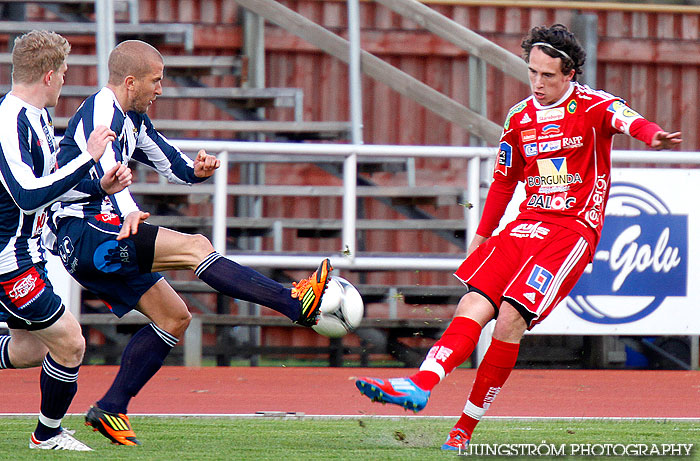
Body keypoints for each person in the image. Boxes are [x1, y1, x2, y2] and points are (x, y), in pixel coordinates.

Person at [355, 24, 682, 451]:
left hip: (571, 233)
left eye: (548, 76)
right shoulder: (519, 118)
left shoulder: (593, 106)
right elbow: (505, 181)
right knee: (473, 303)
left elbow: (628, 119)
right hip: (524, 226)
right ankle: (419, 385)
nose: (537, 83)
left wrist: (652, 135)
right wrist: (482, 233)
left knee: (510, 318)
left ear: (570, 75)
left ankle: (464, 429)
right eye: (532, 72)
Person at [46, 39, 333, 446]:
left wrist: (198, 170)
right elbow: (107, 167)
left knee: (174, 317)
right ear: (131, 82)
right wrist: (126, 208)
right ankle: (293, 302)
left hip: (101, 232)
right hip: (84, 231)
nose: (160, 90)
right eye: (155, 81)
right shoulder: (103, 107)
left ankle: (111, 407)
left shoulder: (134, 120)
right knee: (196, 245)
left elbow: (173, 165)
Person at [0, 30, 131, 451]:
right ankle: (48, 434)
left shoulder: (37, 116)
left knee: (26, 351)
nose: (66, 81)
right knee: (71, 342)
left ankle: (49, 433)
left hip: (30, 253)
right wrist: (87, 157)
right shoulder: (9, 121)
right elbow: (26, 194)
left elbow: (52, 186)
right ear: (50, 75)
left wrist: (100, 186)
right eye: (66, 73)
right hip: (8, 260)